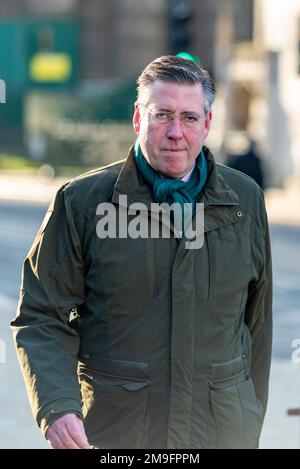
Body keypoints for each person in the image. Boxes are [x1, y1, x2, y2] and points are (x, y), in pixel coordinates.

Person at [11, 55, 272, 449]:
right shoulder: (83, 203)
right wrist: (57, 405)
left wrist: (250, 418)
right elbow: (41, 314)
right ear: (138, 118)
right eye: (162, 115)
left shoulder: (245, 199)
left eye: (188, 117)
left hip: (221, 433)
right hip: (118, 433)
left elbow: (258, 325)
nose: (176, 132)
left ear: (207, 124)